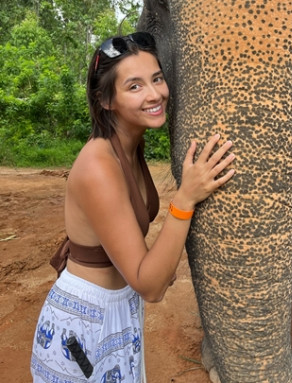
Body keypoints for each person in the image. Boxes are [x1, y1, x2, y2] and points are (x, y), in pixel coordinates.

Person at [30, 32, 236, 383]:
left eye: (157, 79)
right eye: (135, 86)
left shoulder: (129, 146)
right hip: (82, 326)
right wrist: (184, 199)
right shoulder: (99, 166)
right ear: (106, 100)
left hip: (120, 310)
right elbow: (151, 285)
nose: (155, 94)